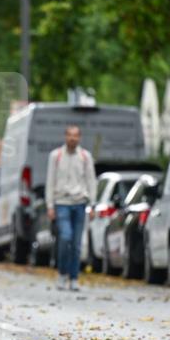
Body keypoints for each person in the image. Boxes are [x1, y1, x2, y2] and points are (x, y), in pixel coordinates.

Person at [46, 125, 96, 292]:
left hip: (80, 203)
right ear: (65, 136)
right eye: (70, 135)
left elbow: (91, 181)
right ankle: (62, 274)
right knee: (65, 237)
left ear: (79, 138)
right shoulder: (56, 156)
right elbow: (50, 181)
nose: (72, 138)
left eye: (75, 136)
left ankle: (74, 278)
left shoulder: (85, 157)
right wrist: (50, 205)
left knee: (76, 244)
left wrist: (93, 204)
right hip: (62, 203)